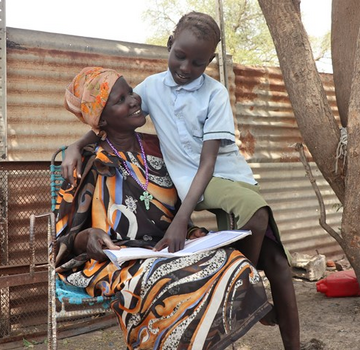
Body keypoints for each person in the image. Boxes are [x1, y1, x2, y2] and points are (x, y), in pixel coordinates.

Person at [62, 12, 300, 350]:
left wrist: (181, 220)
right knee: (258, 219)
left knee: (277, 261)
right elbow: (104, 113)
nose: (186, 67)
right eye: (180, 56)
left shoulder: (213, 95)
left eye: (197, 62)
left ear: (211, 61)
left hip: (222, 177)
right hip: (191, 187)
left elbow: (209, 160)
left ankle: (283, 332)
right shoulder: (151, 88)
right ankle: (245, 291)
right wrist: (78, 144)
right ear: (170, 45)